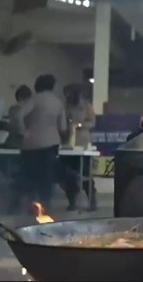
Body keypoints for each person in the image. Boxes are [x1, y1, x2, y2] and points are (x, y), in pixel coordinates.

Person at [16, 74, 67, 211]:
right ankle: (45, 206)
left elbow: (19, 114)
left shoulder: (34, 100)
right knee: (47, 177)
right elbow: (63, 127)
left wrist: (23, 131)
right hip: (51, 143)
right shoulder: (58, 102)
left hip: (31, 143)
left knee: (30, 175)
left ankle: (30, 205)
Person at [59, 83, 97, 211]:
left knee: (85, 172)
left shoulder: (86, 105)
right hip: (68, 142)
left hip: (82, 141)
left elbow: (92, 122)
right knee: (67, 174)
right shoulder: (66, 106)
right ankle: (72, 201)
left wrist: (79, 125)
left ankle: (92, 201)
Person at [4, 85, 31, 213]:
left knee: (15, 175)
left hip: (14, 144)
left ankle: (15, 203)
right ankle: (16, 203)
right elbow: (21, 130)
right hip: (19, 145)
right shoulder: (20, 110)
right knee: (20, 175)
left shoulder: (13, 109)